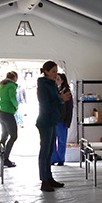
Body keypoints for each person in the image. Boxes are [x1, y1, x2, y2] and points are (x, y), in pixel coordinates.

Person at [36, 61, 71, 192]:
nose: (56, 74)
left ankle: (49, 177)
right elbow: (46, 104)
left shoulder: (52, 84)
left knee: (50, 151)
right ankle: (44, 180)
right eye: (53, 72)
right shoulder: (43, 85)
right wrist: (60, 99)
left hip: (52, 121)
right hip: (45, 122)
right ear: (46, 72)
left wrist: (61, 99)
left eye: (56, 71)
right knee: (44, 152)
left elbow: (55, 102)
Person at [0, 71, 19, 168]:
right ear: (14, 78)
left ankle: (2, 155)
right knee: (14, 136)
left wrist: (2, 103)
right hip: (9, 114)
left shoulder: (2, 86)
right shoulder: (11, 86)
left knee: (4, 135)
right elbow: (12, 98)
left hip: (1, 113)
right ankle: (6, 159)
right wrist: (16, 106)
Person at [51, 73, 73, 166]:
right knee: (52, 140)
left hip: (62, 120)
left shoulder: (67, 92)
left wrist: (68, 121)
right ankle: (53, 159)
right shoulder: (54, 91)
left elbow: (70, 108)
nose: (56, 80)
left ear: (62, 81)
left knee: (61, 141)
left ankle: (61, 159)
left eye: (58, 79)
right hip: (53, 120)